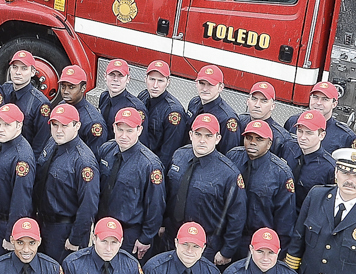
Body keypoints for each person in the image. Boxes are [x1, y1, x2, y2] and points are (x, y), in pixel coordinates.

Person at [160, 113, 244, 263]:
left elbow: (237, 216)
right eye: (198, 134)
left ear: (218, 138)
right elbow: (166, 194)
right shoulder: (179, 156)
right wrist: (160, 224)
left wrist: (227, 251)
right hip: (172, 237)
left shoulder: (228, 174)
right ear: (190, 135)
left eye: (208, 136)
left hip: (206, 246)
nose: (202, 140)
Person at [96, 107, 165, 259]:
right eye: (120, 130)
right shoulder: (106, 150)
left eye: (129, 131)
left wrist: (145, 238)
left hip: (129, 233)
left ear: (139, 130)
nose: (124, 136)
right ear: (114, 128)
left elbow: (155, 205)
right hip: (103, 227)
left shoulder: (150, 164)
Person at [34, 102, 99, 259]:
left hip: (64, 230)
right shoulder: (52, 143)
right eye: (55, 125)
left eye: (64, 125)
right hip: (43, 223)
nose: (58, 130)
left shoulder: (84, 161)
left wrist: (75, 238)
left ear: (77, 126)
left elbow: (88, 205)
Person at [231, 120, 297, 255]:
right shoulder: (233, 157)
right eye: (249, 138)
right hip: (230, 236)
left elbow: (285, 219)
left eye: (259, 139)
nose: (252, 142)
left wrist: (278, 254)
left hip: (261, 244)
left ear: (269, 144)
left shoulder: (281, 173)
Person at [0, 103, 38, 259]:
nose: (1, 129)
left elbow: (21, 201)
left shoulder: (21, 157)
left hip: (7, 222)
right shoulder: (4, 146)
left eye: (7, 125)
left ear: (19, 125)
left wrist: (12, 235)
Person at [0, 51, 50, 150]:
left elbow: (41, 143)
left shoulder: (40, 103)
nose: (18, 72)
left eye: (24, 68)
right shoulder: (5, 89)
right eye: (14, 67)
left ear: (33, 72)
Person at [288, 109, 340, 211]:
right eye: (300, 131)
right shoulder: (288, 149)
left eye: (309, 133)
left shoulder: (329, 168)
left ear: (322, 135)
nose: (303, 137)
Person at [282, 81, 354, 153]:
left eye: (325, 99)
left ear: (334, 104)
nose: (318, 103)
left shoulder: (345, 136)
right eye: (315, 97)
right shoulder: (293, 121)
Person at [186, 65, 243, 153]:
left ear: (221, 87)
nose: (205, 89)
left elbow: (229, 153)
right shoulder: (194, 103)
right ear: (196, 84)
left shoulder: (227, 118)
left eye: (210, 84)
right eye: (202, 83)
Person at [143, 60, 188, 167]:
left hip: (154, 165)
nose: (155, 85)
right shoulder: (143, 96)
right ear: (145, 79)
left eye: (160, 81)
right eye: (152, 79)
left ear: (168, 82)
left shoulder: (173, 112)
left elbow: (168, 153)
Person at [55, 63, 107, 150]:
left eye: (71, 87)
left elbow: (94, 155)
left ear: (83, 88)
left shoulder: (92, 122)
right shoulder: (61, 106)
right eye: (63, 86)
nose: (66, 91)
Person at [95, 58, 145, 138]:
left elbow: (141, 140)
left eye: (120, 75)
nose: (115, 79)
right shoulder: (104, 96)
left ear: (128, 79)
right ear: (105, 76)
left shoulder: (135, 107)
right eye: (112, 74)